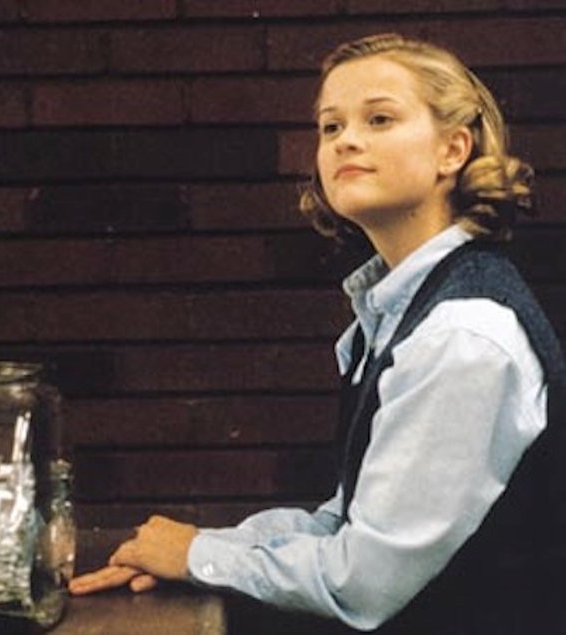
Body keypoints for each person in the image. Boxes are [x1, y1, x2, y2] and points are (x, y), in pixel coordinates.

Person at [67, 33, 566, 634]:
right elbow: (344, 521)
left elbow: (364, 581)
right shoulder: (404, 313)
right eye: (331, 126)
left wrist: (197, 556)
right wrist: (192, 550)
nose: (346, 140)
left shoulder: (460, 337)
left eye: (379, 119)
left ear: (452, 150)